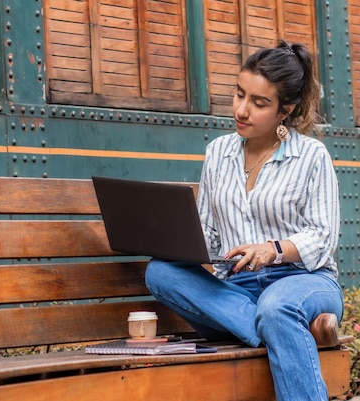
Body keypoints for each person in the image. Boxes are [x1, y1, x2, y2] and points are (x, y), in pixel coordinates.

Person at [145, 40, 343, 401]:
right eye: (239, 95)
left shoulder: (311, 156)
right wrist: (172, 240)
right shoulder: (218, 153)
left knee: (277, 306)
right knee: (159, 272)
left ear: (286, 109)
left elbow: (323, 237)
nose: (242, 110)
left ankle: (268, 321)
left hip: (302, 281)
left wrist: (274, 250)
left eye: (259, 103)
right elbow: (208, 232)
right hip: (235, 288)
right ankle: (268, 326)